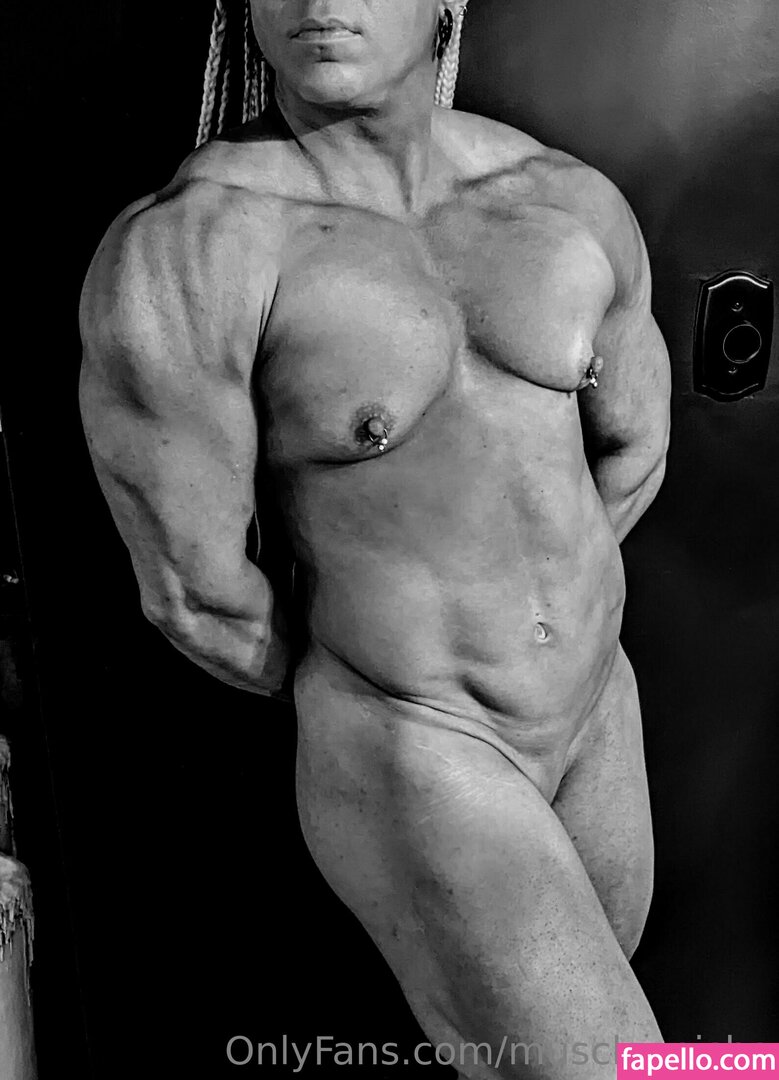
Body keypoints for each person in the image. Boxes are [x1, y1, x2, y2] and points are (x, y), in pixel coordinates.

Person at [79, 1, 671, 1075]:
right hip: (418, 744)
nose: (318, 2)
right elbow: (195, 593)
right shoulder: (194, 247)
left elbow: (633, 447)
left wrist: (534, 624)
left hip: (595, 711)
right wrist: (387, 686)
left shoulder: (565, 197)